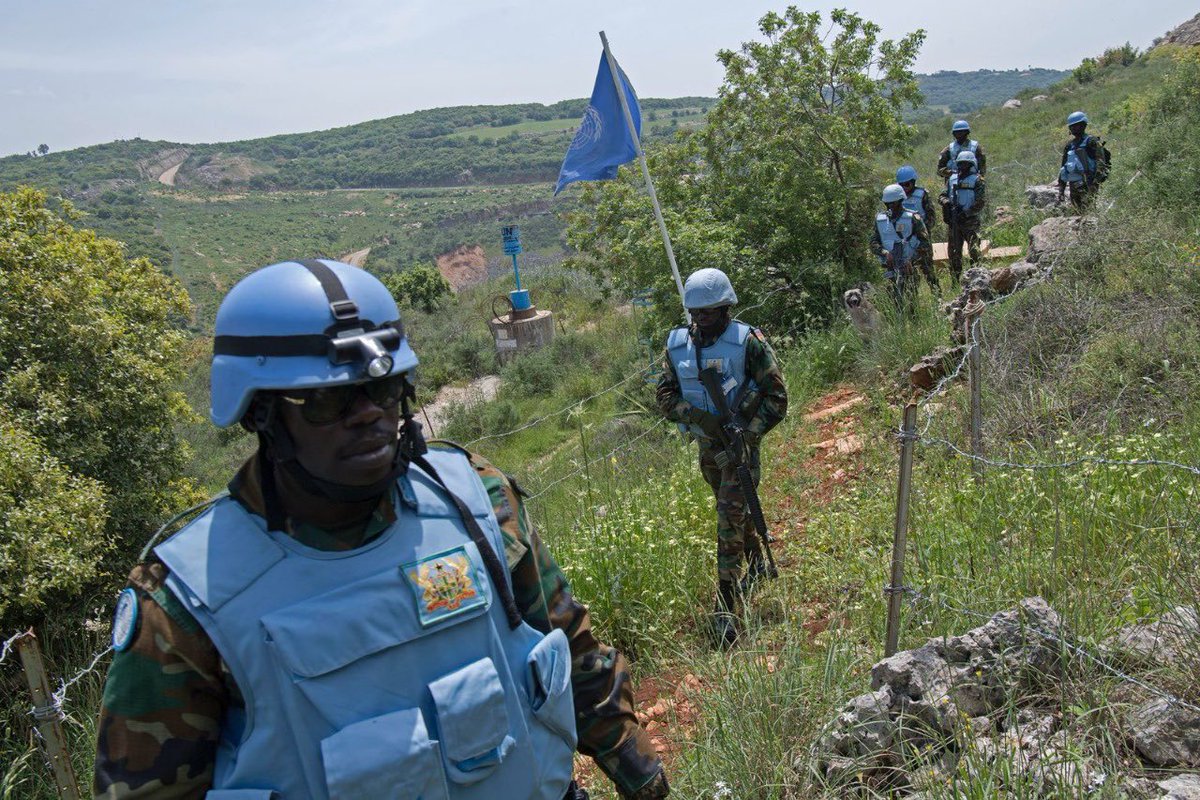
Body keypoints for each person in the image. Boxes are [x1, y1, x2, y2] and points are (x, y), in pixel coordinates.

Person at [93, 259, 668, 800]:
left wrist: (636, 767)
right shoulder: (189, 603)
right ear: (260, 414)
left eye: (383, 388)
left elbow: (567, 641)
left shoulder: (475, 500)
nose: (367, 412)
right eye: (327, 400)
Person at [656, 268, 788, 647]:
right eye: (696, 312)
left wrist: (749, 434)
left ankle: (726, 607)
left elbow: (777, 397)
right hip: (708, 448)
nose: (702, 319)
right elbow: (664, 394)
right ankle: (756, 564)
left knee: (728, 519)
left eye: (709, 312)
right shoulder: (677, 346)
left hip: (740, 447)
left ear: (726, 308)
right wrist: (699, 418)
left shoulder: (748, 342)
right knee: (733, 510)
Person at [872, 183, 931, 309]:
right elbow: (873, 242)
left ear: (900, 201)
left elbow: (925, 242)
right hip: (889, 267)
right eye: (887, 204)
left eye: (893, 203)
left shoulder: (913, 217)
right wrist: (884, 253)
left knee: (911, 303)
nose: (890, 207)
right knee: (893, 304)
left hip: (908, 266)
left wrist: (912, 259)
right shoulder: (880, 219)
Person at [939, 151, 987, 284]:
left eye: (965, 164)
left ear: (971, 165)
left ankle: (976, 280)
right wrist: (946, 202)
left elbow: (980, 202)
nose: (962, 166)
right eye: (960, 164)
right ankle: (955, 281)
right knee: (954, 253)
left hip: (970, 222)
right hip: (954, 222)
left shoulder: (977, 180)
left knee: (974, 251)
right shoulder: (951, 179)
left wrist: (966, 213)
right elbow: (942, 195)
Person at [896, 165, 940, 293]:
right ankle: (912, 300)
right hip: (905, 242)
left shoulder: (922, 195)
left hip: (921, 240)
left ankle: (937, 296)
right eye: (901, 185)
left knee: (928, 270)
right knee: (909, 274)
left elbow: (931, 219)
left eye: (907, 184)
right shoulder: (896, 197)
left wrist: (919, 230)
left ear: (913, 182)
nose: (905, 188)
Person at [1058, 110, 1108, 211]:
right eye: (1072, 126)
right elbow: (1063, 168)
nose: (1074, 128)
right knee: (1077, 211)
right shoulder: (1069, 145)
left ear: (1083, 125)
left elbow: (1101, 163)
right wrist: (1061, 189)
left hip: (1089, 182)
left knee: (1089, 211)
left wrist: (1094, 183)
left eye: (1077, 126)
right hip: (1073, 184)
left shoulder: (1092, 141)